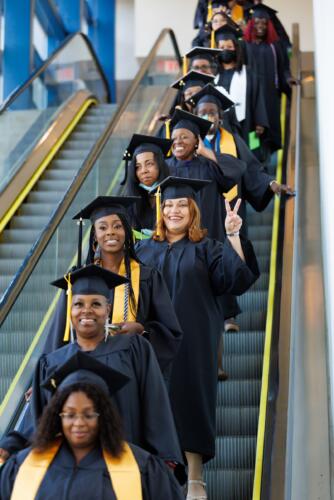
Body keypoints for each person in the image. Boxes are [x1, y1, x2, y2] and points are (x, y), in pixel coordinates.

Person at [136, 176, 259, 500]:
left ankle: (195, 477)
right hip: (152, 341)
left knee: (193, 402)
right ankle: (158, 478)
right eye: (168, 205)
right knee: (153, 407)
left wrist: (233, 234)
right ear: (160, 211)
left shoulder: (207, 248)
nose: (174, 211)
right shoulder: (143, 250)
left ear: (193, 211)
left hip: (195, 338)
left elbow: (236, 279)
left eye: (181, 205)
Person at [0, 265, 184, 480]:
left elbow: (155, 404)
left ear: (107, 309)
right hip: (69, 477)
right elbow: (39, 423)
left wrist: (163, 462)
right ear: (70, 310)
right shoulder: (51, 363)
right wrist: (10, 445)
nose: (87, 310)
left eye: (96, 304)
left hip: (123, 472)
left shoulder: (133, 349)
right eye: (78, 304)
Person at [0, 352, 184, 499]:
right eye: (70, 414)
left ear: (103, 416)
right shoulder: (21, 467)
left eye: (89, 414)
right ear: (58, 416)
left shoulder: (143, 468)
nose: (79, 423)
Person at [44, 196, 183, 381]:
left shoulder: (147, 276)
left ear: (126, 231)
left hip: (132, 369)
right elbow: (60, 329)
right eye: (102, 227)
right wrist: (44, 375)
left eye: (117, 226)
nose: (110, 232)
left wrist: (141, 329)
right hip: (85, 370)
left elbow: (170, 332)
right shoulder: (79, 277)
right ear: (94, 235)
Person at [166, 108, 246, 243]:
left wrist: (204, 151)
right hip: (175, 242)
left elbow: (238, 167)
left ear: (197, 141)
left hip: (209, 239)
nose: (177, 141)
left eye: (184, 137)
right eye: (174, 138)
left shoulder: (208, 165)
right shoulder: (164, 168)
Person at [243, 4, 292, 157]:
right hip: (251, 97)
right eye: (257, 22)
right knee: (252, 133)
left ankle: (268, 161)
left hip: (271, 95)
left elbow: (283, 68)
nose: (261, 26)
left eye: (264, 23)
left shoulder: (274, 46)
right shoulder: (244, 46)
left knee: (270, 132)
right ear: (251, 24)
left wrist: (288, 79)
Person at [213, 24, 268, 145]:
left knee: (248, 151)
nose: (225, 50)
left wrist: (260, 121)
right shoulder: (213, 75)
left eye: (229, 46)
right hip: (219, 125)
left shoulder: (248, 74)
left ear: (236, 49)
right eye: (221, 47)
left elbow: (258, 97)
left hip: (245, 123)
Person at [122, 134, 172, 235]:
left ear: (160, 165)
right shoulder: (129, 201)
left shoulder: (174, 194)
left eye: (149, 164)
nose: (143, 171)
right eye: (138, 166)